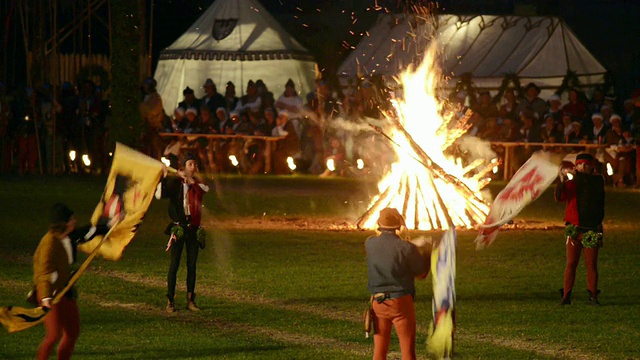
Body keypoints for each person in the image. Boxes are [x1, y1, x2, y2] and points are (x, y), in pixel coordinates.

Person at [33, 203, 113, 360]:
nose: (75, 221)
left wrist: (111, 223)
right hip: (51, 295)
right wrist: (46, 298)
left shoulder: (69, 237)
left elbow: (88, 232)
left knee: (72, 332)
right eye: (71, 219)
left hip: (66, 292)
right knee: (54, 335)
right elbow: (43, 273)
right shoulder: (49, 244)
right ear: (64, 223)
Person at [365, 208, 430, 360]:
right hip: (401, 302)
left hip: (378, 302)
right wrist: (426, 252)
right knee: (407, 353)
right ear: (399, 225)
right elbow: (422, 274)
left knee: (379, 353)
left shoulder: (369, 243)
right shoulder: (407, 248)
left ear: (378, 224)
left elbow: (386, 249)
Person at [155, 155, 209, 313]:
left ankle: (191, 300)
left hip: (193, 229)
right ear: (184, 166)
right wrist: (164, 176)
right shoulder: (175, 183)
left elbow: (205, 189)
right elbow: (159, 194)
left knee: (192, 266)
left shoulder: (198, 184)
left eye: (195, 164)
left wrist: (192, 179)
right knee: (174, 265)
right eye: (190, 164)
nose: (193, 167)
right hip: (179, 228)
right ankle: (170, 301)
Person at [555, 153, 605, 306]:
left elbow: (588, 186)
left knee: (591, 264)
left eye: (585, 164)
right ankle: (566, 295)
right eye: (579, 164)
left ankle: (593, 295)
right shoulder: (573, 183)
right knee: (571, 264)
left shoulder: (597, 181)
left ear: (592, 166)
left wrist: (574, 177)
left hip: (591, 229)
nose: (582, 167)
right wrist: (562, 181)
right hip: (575, 229)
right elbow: (559, 197)